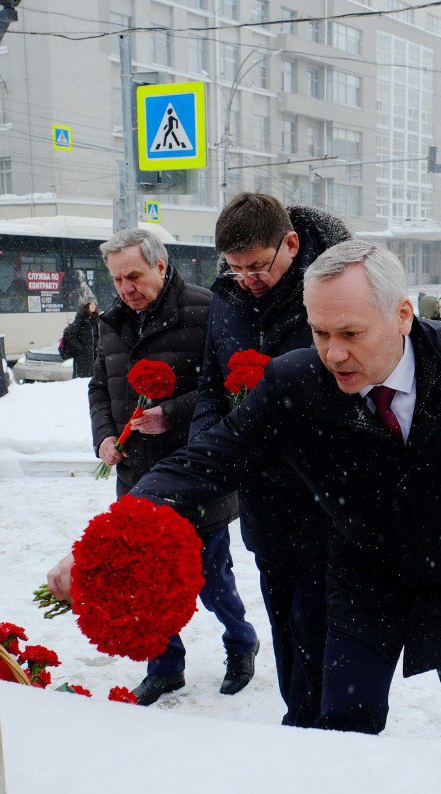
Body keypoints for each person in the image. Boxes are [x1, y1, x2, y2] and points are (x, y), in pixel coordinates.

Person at [46, 240, 441, 794]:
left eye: (350, 332)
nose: (333, 353)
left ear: (402, 315)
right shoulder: (296, 378)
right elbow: (210, 459)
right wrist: (111, 534)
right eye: (319, 332)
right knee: (341, 722)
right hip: (362, 582)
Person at [191, 192, 351, 727]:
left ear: (292, 244)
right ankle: (300, 718)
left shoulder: (333, 292)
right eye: (235, 268)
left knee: (322, 629)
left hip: (328, 498)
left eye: (258, 266)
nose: (248, 279)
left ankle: (326, 728)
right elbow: (212, 389)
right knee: (285, 624)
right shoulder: (228, 299)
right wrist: (206, 463)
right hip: (265, 501)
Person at [91, 227, 258, 705]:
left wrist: (173, 413)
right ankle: (164, 666)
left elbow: (229, 387)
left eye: (134, 276)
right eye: (117, 278)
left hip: (196, 473)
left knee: (210, 577)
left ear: (161, 266)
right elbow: (99, 387)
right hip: (136, 476)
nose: (125, 288)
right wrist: (103, 436)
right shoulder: (112, 321)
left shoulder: (208, 310)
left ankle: (241, 642)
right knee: (146, 580)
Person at [60, 297, 99, 379]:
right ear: (86, 305)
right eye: (91, 304)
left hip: (93, 356)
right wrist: (80, 348)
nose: (94, 306)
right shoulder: (80, 317)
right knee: (81, 380)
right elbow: (71, 335)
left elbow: (96, 337)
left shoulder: (94, 318)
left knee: (92, 379)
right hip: (82, 358)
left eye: (95, 304)